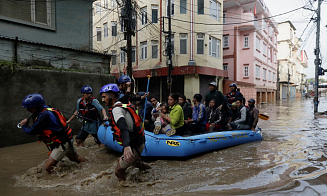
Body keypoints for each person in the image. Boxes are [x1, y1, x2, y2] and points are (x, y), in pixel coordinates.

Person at [19, 93, 88, 174]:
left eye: (29, 108)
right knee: (75, 158)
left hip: (62, 143)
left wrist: (24, 125)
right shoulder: (47, 109)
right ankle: (89, 165)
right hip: (65, 139)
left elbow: (32, 131)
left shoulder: (44, 115)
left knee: (48, 167)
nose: (28, 110)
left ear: (37, 106)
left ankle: (62, 182)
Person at [100, 84, 151, 181]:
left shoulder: (116, 110)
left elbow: (123, 128)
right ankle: (150, 170)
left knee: (118, 172)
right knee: (137, 163)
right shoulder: (121, 103)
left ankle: (128, 189)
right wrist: (128, 88)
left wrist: (127, 146)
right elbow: (127, 96)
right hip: (138, 141)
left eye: (104, 97)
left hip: (133, 145)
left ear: (111, 95)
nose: (102, 100)